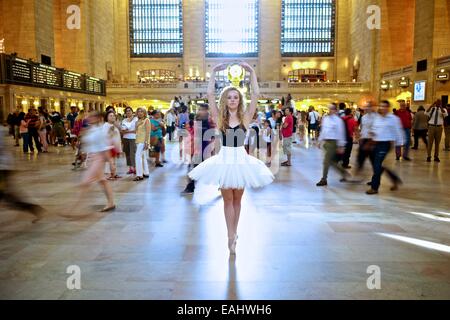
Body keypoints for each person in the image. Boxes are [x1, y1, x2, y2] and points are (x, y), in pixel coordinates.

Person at [188, 62, 274, 255]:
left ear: (239, 100)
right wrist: (212, 73)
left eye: (235, 97)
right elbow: (210, 95)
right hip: (225, 160)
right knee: (228, 201)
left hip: (241, 161)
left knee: (238, 200)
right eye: (229, 97)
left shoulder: (245, 118)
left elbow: (255, 95)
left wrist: (252, 71)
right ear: (225, 100)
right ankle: (230, 235)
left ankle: (235, 232)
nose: (233, 100)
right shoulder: (219, 118)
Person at [66, 111, 115, 215]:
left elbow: (105, 148)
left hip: (98, 159)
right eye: (89, 116)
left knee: (85, 182)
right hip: (91, 158)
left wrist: (111, 163)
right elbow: (87, 143)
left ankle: (74, 209)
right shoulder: (90, 129)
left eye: (92, 116)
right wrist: (83, 153)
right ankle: (111, 203)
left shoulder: (100, 131)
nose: (89, 118)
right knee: (102, 181)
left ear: (98, 118)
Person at [0, 124, 44, 222]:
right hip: (4, 166)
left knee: (7, 196)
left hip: (2, 168)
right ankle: (33, 208)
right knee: (6, 196)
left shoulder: (1, 130)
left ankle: (33, 208)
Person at [366, 101, 404, 195]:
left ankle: (374, 187)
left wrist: (399, 144)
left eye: (384, 106)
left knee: (377, 165)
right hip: (376, 143)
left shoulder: (393, 119)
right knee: (379, 165)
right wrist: (371, 135)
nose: (382, 108)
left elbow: (398, 131)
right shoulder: (377, 118)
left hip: (386, 144)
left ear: (388, 108)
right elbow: (374, 129)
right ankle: (394, 179)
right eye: (381, 106)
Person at [181, 104, 215, 195]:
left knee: (215, 169)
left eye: (204, 110)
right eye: (200, 109)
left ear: (208, 111)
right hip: (197, 151)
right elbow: (190, 135)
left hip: (208, 150)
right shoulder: (194, 121)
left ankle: (223, 186)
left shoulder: (211, 121)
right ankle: (190, 187)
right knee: (193, 170)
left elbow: (215, 135)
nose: (201, 111)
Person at [316, 103, 348, 187]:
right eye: (329, 109)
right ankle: (343, 172)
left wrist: (341, 145)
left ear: (335, 110)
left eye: (332, 109)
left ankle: (324, 179)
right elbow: (323, 131)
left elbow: (341, 133)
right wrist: (319, 140)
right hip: (326, 143)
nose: (330, 110)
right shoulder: (326, 119)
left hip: (334, 143)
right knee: (332, 162)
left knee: (326, 161)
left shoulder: (338, 120)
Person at [103, 111, 122, 180]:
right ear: (107, 117)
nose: (113, 117)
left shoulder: (114, 125)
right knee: (111, 162)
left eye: (113, 116)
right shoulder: (105, 125)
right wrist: (110, 132)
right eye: (110, 116)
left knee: (113, 162)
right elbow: (105, 136)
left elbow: (117, 136)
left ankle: (114, 174)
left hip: (114, 147)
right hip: (108, 147)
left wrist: (119, 149)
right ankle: (112, 175)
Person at [134, 107, 151, 181]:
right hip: (138, 141)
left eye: (141, 111)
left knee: (137, 157)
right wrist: (137, 124)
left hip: (143, 141)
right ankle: (146, 172)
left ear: (144, 113)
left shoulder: (147, 120)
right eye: (138, 111)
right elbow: (135, 131)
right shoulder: (137, 121)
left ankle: (139, 175)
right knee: (143, 157)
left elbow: (148, 132)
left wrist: (147, 142)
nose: (140, 113)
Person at [121, 107, 137, 175]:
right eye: (126, 111)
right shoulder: (124, 120)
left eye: (129, 111)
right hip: (125, 138)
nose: (128, 112)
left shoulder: (136, 119)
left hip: (133, 138)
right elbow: (122, 131)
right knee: (127, 153)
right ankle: (130, 168)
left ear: (132, 111)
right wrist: (130, 131)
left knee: (132, 153)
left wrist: (127, 131)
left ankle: (135, 168)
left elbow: (136, 130)